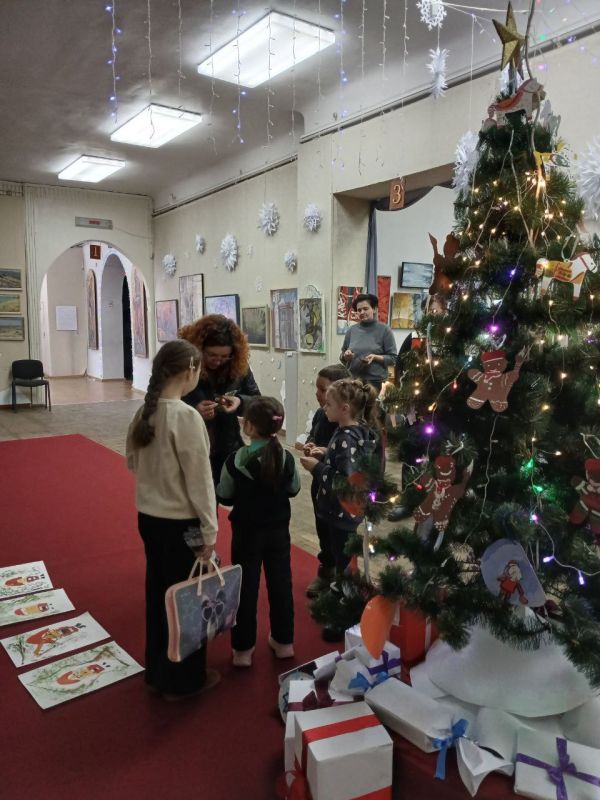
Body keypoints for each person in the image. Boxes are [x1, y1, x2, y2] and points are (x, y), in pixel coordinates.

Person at [126, 339, 220, 699]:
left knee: (158, 595)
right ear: (189, 372)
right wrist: (210, 530)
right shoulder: (186, 416)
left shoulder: (144, 412)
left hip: (149, 518)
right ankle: (184, 681)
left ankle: (158, 672)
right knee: (187, 602)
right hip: (182, 525)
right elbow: (201, 482)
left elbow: (131, 462)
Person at [216, 396, 300, 668]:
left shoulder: (235, 459)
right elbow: (294, 489)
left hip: (246, 534)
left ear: (248, 426)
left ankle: (243, 650)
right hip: (278, 532)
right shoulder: (285, 457)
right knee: (281, 585)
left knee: (245, 588)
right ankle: (284, 642)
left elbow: (225, 496)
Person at [300, 379, 379, 640]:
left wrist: (316, 467)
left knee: (344, 565)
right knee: (342, 562)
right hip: (346, 513)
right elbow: (348, 463)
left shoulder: (346, 437)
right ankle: (341, 602)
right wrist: (325, 453)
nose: (324, 407)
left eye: (329, 403)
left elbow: (345, 482)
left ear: (344, 408)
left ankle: (346, 615)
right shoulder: (355, 430)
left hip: (341, 512)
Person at [180, 314, 261, 485]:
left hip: (228, 447)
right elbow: (162, 403)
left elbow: (258, 402)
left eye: (225, 356)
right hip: (192, 450)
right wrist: (193, 412)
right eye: (212, 355)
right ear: (199, 348)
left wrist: (240, 401)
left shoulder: (239, 367)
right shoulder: (181, 364)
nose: (218, 361)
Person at [302, 364, 351, 598]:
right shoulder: (323, 414)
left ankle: (343, 586)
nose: (317, 394)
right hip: (320, 485)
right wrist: (312, 444)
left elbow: (347, 469)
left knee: (340, 539)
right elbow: (316, 435)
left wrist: (321, 463)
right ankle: (327, 570)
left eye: (323, 390)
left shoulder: (352, 429)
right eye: (317, 388)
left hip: (341, 494)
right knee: (323, 529)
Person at [340, 292, 397, 393]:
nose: (362, 312)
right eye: (359, 310)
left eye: (365, 309)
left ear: (374, 309)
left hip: (375, 384)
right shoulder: (351, 330)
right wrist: (346, 356)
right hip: (354, 382)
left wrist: (375, 357)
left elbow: (393, 359)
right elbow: (342, 356)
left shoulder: (384, 330)